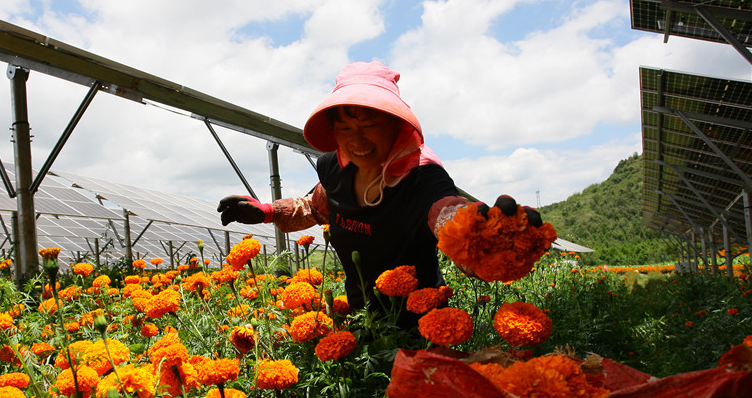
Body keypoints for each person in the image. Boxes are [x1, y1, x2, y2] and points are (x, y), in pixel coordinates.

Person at [217, 61, 541, 320]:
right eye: (344, 126)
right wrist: (266, 212)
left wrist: (486, 238)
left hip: (420, 322)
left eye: (369, 124)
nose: (356, 140)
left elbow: (447, 214)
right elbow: (315, 207)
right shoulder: (334, 168)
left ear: (395, 125)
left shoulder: (422, 176)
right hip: (361, 316)